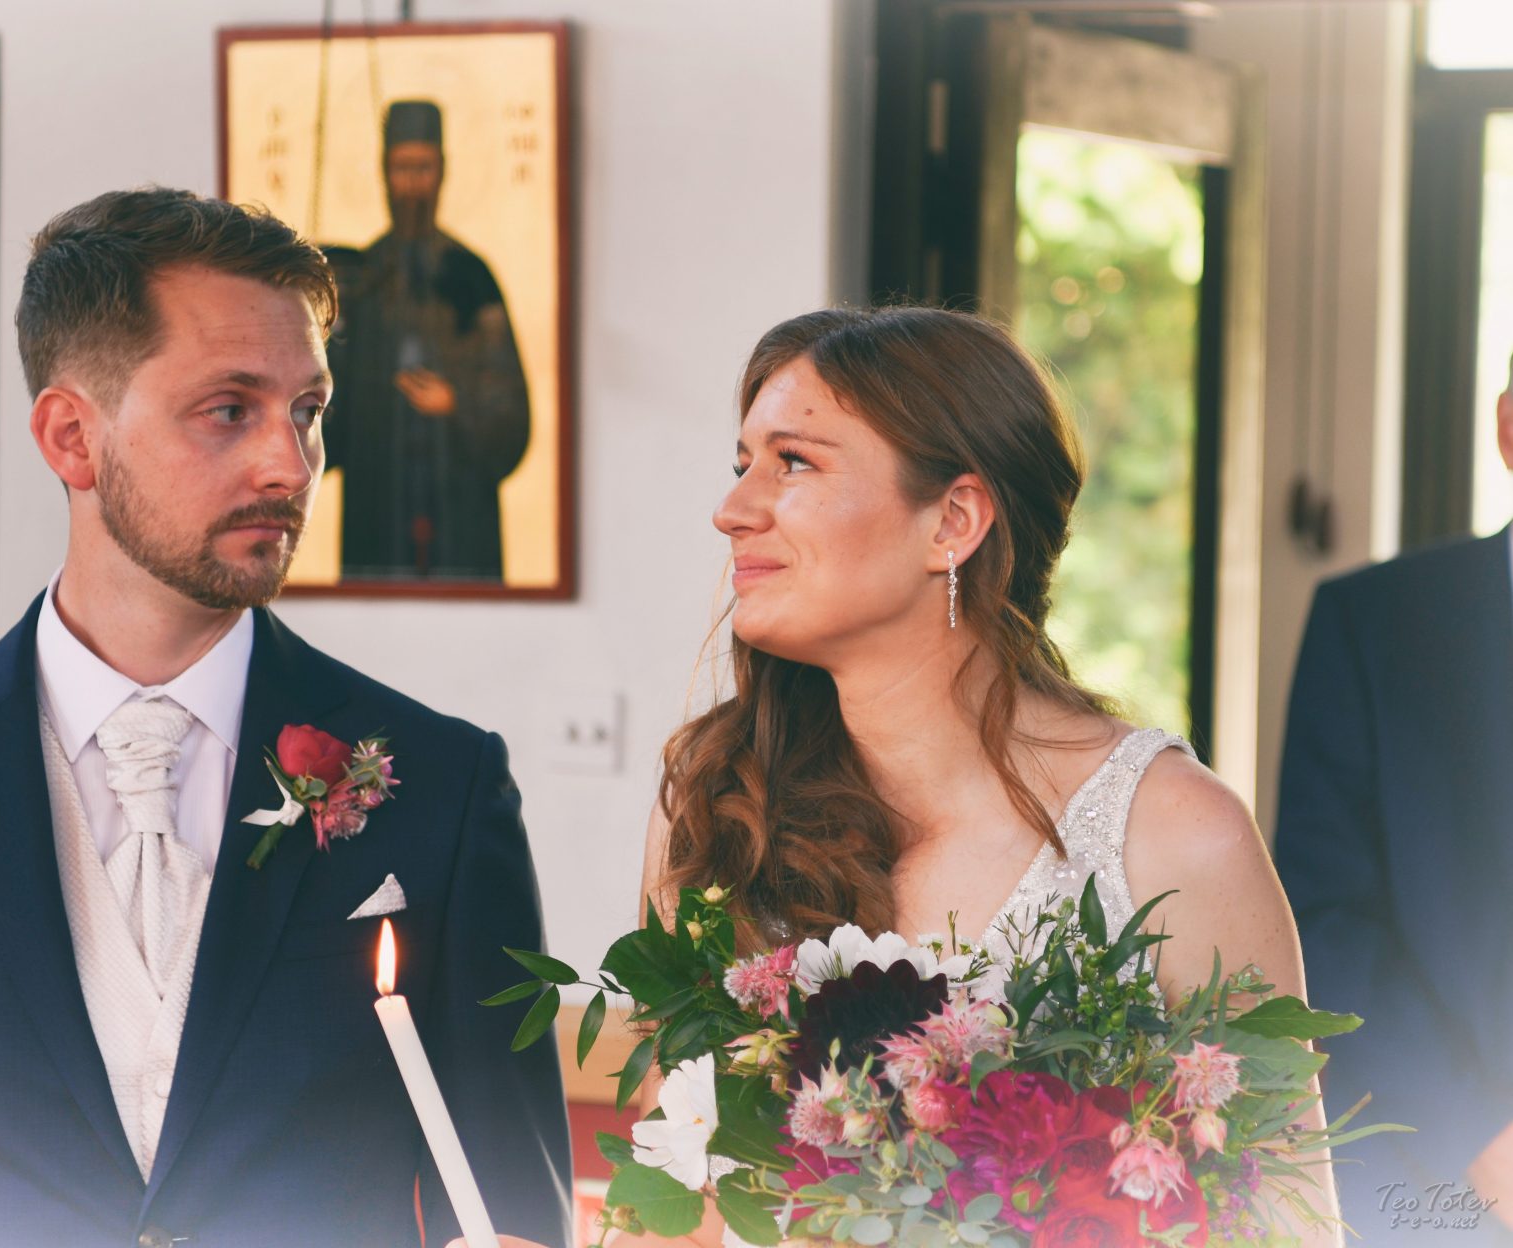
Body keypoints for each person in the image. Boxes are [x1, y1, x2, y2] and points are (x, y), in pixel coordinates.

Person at [0, 188, 571, 1248]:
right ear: (72, 437)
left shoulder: (443, 786)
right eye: (229, 409)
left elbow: (513, 1213)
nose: (290, 465)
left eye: (309, 411)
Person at [639, 306, 1340, 1242]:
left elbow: (1290, 1223)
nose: (734, 509)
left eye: (794, 463)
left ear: (954, 521)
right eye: (743, 465)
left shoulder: (1173, 833)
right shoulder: (714, 807)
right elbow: (674, 1199)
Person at [1277, 358, 1513, 1242]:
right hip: (1436, 1189)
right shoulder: (1374, 626)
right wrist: (1484, 1143)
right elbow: (1325, 922)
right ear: (1508, 429)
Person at [323, 99, 531, 582]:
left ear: (443, 172)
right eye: (402, 169)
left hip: (459, 509)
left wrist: (455, 404)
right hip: (378, 504)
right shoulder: (362, 276)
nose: (413, 183)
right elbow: (327, 429)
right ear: (384, 173)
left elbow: (511, 416)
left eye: (424, 168)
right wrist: (334, 328)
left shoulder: (472, 276)